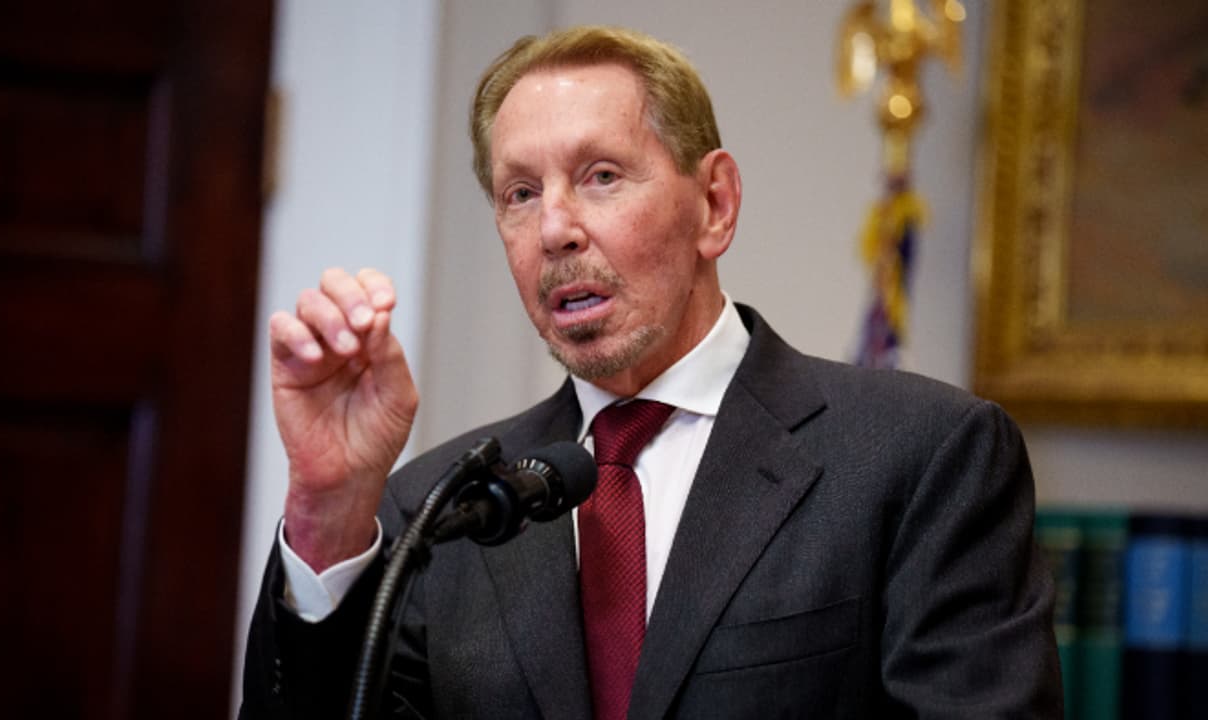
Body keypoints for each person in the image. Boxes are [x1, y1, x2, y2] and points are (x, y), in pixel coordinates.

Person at [241, 25, 1062, 719]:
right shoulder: (436, 510)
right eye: (519, 193)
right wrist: (328, 513)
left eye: (600, 176)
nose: (554, 229)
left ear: (715, 205)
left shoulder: (921, 456)